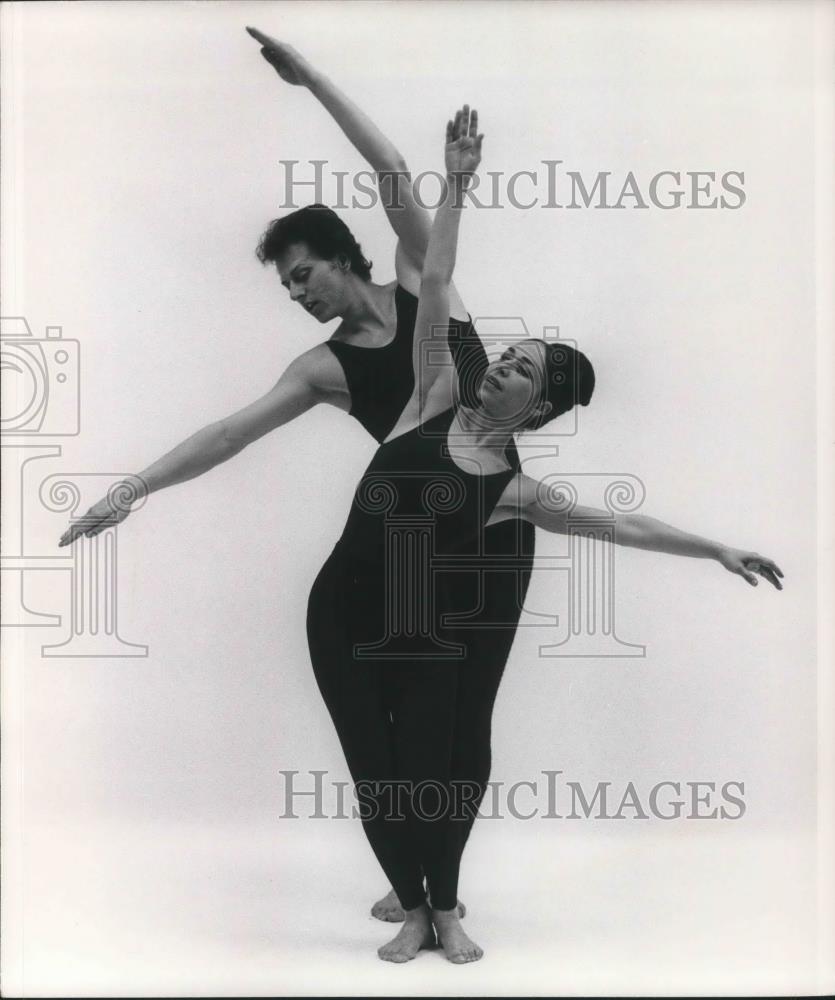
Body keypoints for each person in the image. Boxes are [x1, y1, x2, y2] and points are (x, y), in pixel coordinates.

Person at [57, 29, 534, 927]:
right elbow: (228, 433)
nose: (299, 293)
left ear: (344, 260)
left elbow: (394, 171)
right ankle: (415, 879)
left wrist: (310, 77)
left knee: (469, 723)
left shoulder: (424, 285)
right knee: (402, 722)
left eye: (303, 275)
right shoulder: (321, 369)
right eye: (287, 288)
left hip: (501, 528)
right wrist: (132, 489)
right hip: (415, 545)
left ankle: (445, 893)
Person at [297, 105, 784, 964]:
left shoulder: (515, 490)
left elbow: (622, 524)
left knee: (429, 766)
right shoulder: (429, 396)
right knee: (371, 765)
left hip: (416, 623)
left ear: (541, 406)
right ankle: (411, 904)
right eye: (508, 356)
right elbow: (436, 282)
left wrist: (715, 547)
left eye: (521, 369)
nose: (504, 367)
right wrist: (456, 185)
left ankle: (438, 908)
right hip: (341, 608)